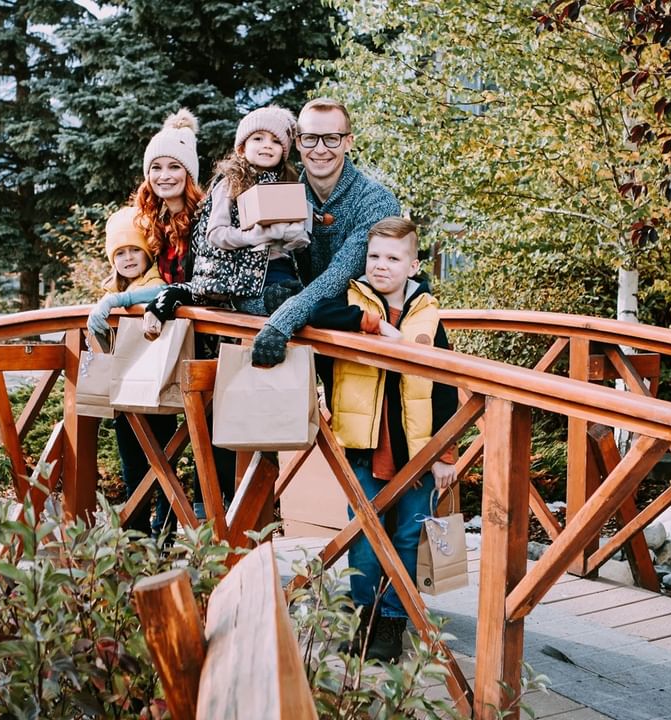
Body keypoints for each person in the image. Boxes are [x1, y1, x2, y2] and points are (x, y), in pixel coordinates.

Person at [309, 217, 459, 663]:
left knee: (411, 537)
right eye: (374, 256)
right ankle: (363, 618)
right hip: (364, 442)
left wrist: (445, 453)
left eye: (393, 258)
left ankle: (393, 623)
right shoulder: (350, 298)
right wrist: (373, 324)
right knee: (364, 532)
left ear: (413, 265)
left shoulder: (428, 313)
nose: (381, 265)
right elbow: (316, 313)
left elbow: (447, 386)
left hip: (416, 449)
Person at [88, 109, 204, 537]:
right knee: (140, 429)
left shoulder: (202, 218)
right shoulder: (152, 220)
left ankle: (168, 524)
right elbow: (145, 273)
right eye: (156, 167)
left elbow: (180, 284)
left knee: (177, 438)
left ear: (188, 173)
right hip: (154, 342)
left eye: (174, 166)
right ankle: (140, 530)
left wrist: (121, 299)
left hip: (194, 343)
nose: (165, 175)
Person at [250, 98, 401, 367]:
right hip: (310, 331)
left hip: (372, 346)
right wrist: (269, 298)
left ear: (348, 142)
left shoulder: (377, 202)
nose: (320, 149)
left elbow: (340, 275)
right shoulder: (284, 197)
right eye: (310, 138)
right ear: (297, 142)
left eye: (331, 138)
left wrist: (281, 320)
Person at [142, 105, 309, 331]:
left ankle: (354, 317)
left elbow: (291, 238)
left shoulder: (284, 183)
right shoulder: (230, 183)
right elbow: (216, 236)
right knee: (281, 303)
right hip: (237, 278)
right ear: (242, 148)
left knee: (303, 301)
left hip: (274, 269)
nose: (267, 145)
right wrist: (259, 235)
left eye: (275, 141)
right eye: (258, 138)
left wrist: (294, 233)